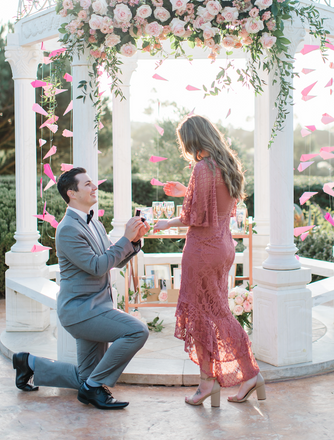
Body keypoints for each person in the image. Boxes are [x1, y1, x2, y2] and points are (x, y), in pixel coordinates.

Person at [13, 167, 150, 410]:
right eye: (87, 184)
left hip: (97, 307)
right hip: (80, 312)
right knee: (137, 331)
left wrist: (134, 240)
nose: (94, 186)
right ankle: (94, 388)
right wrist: (125, 239)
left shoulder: (94, 222)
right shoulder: (67, 229)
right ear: (71, 193)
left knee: (86, 378)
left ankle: (29, 363)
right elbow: (97, 267)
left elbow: (112, 259)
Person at [153, 115, 265, 406]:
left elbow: (194, 217)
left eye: (185, 143)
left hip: (202, 249)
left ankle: (214, 382)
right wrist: (184, 192)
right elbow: (216, 204)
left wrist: (167, 223)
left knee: (203, 316)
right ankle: (231, 378)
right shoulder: (225, 164)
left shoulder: (202, 168)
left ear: (192, 140)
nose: (186, 149)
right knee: (216, 312)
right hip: (223, 246)